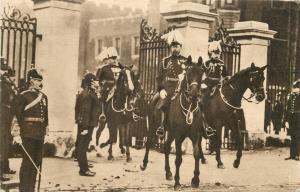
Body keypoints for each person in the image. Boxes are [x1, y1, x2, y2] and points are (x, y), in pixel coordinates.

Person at [15, 68, 48, 192]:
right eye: (37, 80)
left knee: (37, 162)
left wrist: (46, 132)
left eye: (41, 80)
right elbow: (16, 116)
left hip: (40, 134)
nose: (40, 83)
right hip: (28, 134)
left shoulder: (44, 97)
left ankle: (31, 189)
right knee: (28, 163)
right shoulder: (23, 96)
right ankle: (24, 189)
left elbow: (46, 117)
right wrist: (16, 134)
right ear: (31, 81)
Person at [155, 29, 189, 137]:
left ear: (180, 47)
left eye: (177, 46)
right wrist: (161, 90)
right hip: (169, 87)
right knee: (165, 103)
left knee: (196, 102)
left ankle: (203, 126)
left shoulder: (186, 60)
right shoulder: (165, 61)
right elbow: (159, 78)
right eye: (173, 46)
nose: (175, 49)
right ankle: (162, 126)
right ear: (170, 47)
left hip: (183, 87)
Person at [75, 72, 100, 176]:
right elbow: (85, 111)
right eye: (95, 81)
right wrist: (85, 127)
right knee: (82, 147)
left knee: (83, 147)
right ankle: (83, 170)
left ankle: (84, 167)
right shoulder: (88, 94)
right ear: (91, 82)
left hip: (88, 124)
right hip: (86, 124)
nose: (97, 83)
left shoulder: (88, 93)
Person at [95, 47, 121, 146]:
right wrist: (102, 85)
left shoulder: (120, 68)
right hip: (106, 91)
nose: (114, 60)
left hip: (118, 91)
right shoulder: (103, 69)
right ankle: (102, 114)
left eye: (115, 58)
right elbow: (97, 81)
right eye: (112, 58)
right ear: (108, 58)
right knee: (103, 99)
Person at [0, 56, 16, 181]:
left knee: (6, 142)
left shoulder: (7, 81)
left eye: (5, 69)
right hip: (1, 115)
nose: (4, 72)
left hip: (7, 115)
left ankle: (5, 167)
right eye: (2, 69)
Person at [284, 79, 300, 161]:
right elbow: (287, 109)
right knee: (293, 137)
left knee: (297, 137)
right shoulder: (291, 97)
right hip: (292, 120)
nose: (294, 89)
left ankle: (297, 154)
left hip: (298, 120)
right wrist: (286, 120)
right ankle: (292, 155)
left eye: (296, 87)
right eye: (294, 87)